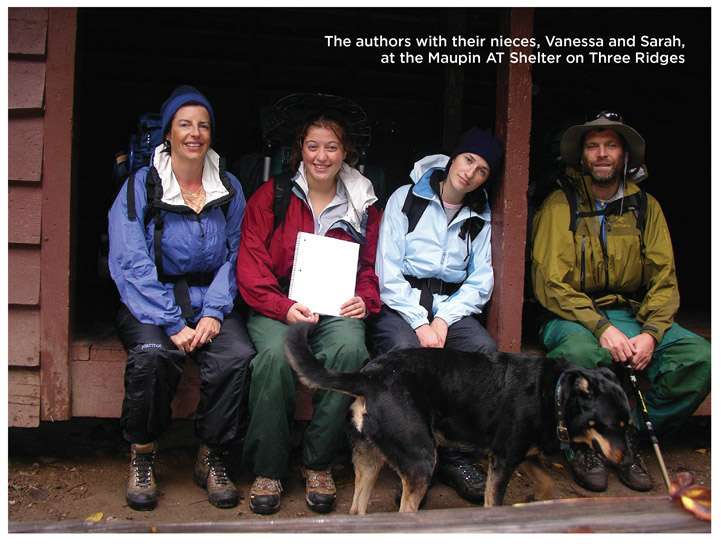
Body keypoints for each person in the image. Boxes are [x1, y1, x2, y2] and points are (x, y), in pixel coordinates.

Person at [530, 111, 711, 493]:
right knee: (582, 356)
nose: (601, 154)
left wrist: (651, 333)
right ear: (581, 157)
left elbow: (665, 280)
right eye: (592, 146)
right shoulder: (559, 205)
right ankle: (580, 443)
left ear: (624, 155)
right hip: (571, 314)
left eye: (610, 145)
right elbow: (550, 283)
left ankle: (630, 436)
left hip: (627, 312)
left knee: (700, 358)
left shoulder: (646, 207)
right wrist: (601, 327)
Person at [108, 85, 254, 511]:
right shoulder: (142, 185)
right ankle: (143, 454)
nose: (195, 133)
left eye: (203, 125)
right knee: (154, 354)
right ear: (168, 134)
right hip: (150, 298)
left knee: (236, 354)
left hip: (212, 295)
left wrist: (213, 312)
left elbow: (237, 252)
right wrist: (171, 321)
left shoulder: (227, 186)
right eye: (184, 124)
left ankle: (211, 456)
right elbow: (130, 261)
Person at [236, 112, 381, 515]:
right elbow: (250, 266)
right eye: (313, 146)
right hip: (277, 305)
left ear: (345, 153)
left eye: (332, 147)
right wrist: (283, 308)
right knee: (272, 359)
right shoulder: (272, 195)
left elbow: (370, 266)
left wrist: (364, 300)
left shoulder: (362, 204)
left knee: (350, 351)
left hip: (334, 306)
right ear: (300, 149)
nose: (322, 156)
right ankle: (268, 469)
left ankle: (317, 463)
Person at [369, 127, 504, 504]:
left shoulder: (479, 214)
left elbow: (480, 281)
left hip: (450, 308)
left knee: (481, 352)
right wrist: (419, 322)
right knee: (402, 350)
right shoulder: (406, 199)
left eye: (482, 171)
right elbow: (388, 271)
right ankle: (409, 459)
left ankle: (455, 456)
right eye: (468, 160)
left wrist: (443, 319)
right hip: (402, 305)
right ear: (453, 158)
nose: (471, 173)